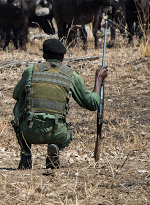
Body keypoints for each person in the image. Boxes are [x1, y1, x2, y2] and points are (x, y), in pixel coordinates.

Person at [11, 38, 108, 170]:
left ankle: (26, 154)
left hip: (29, 131)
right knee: (64, 131)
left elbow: (16, 94)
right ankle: (55, 147)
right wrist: (98, 78)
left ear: (44, 56)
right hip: (57, 132)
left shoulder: (31, 70)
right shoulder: (71, 75)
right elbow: (92, 104)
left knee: (20, 102)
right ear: (63, 57)